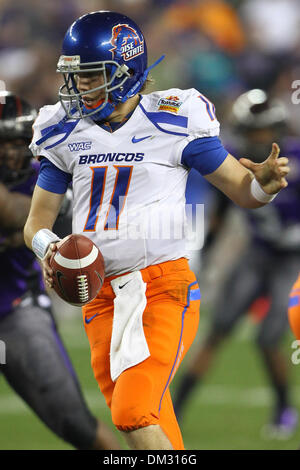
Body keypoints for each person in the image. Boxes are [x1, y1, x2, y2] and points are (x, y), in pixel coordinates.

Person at [23, 11, 290, 450]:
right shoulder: (63, 131)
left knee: (132, 413)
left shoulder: (173, 118)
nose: (79, 88)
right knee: (150, 423)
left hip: (161, 289)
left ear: (124, 71)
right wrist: (50, 251)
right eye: (75, 78)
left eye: (91, 77)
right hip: (98, 296)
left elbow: (242, 192)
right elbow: (38, 223)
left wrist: (262, 185)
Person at [174, 89, 300, 438]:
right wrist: (204, 256)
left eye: (263, 133)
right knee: (217, 330)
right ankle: (176, 408)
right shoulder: (236, 162)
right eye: (252, 134)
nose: (258, 141)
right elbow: (221, 214)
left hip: (292, 259)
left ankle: (283, 410)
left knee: (269, 337)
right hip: (257, 254)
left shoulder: (296, 159)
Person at [0, 91, 120, 450]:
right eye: (2, 142)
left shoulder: (47, 177)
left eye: (19, 142)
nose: (10, 152)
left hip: (14, 313)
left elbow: (13, 212)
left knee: (76, 425)